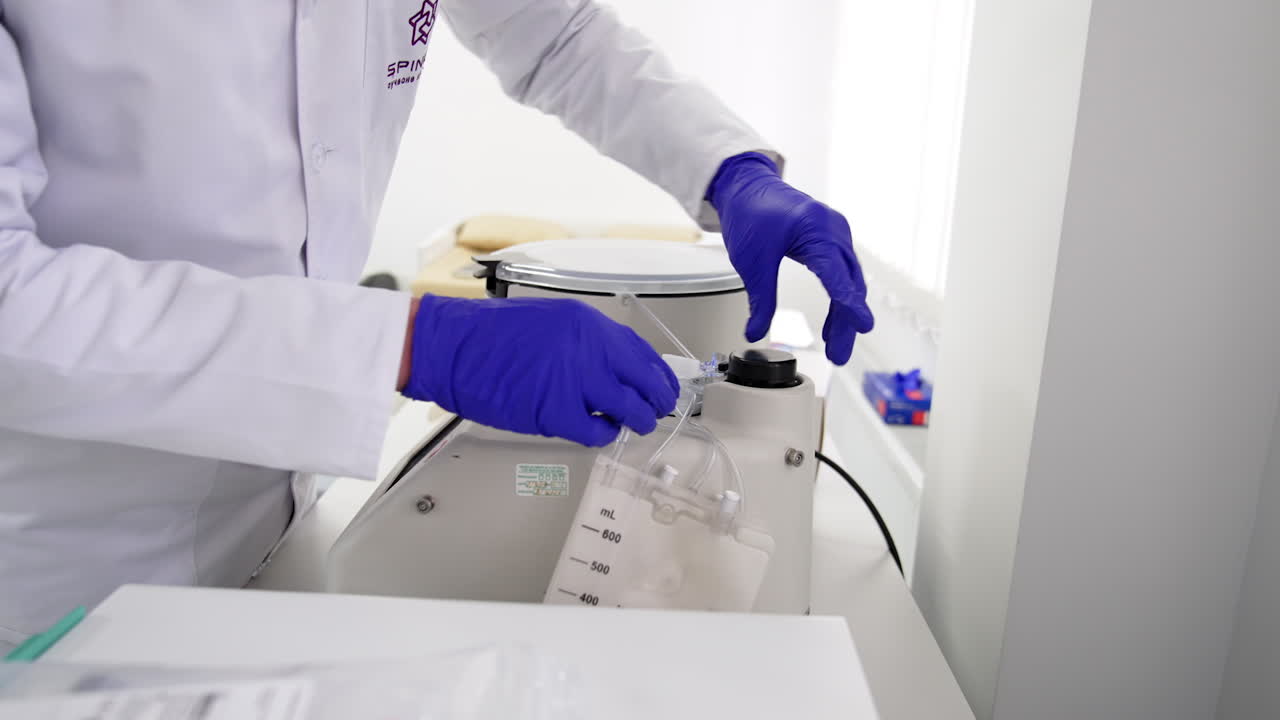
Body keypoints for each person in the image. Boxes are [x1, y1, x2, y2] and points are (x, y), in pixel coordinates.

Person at [0, 0, 874, 651]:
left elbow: (555, 31)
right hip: (65, 550)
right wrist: (412, 343)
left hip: (277, 519)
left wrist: (729, 168)